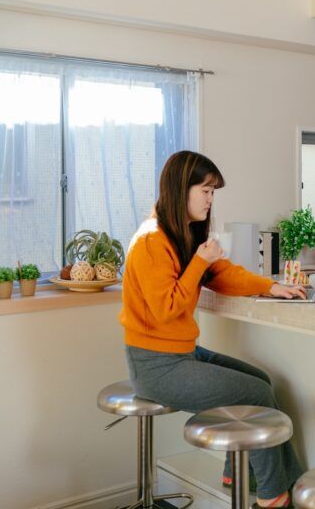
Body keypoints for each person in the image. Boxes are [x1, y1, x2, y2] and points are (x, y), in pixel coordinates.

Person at [120, 150, 305, 508]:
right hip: (156, 366)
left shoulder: (180, 233)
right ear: (180, 189)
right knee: (256, 396)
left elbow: (221, 274)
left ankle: (238, 474)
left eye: (212, 192)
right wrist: (200, 262)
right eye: (205, 190)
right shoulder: (150, 241)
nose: (210, 199)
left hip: (180, 354)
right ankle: (273, 497)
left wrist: (269, 287)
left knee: (261, 381)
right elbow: (166, 309)